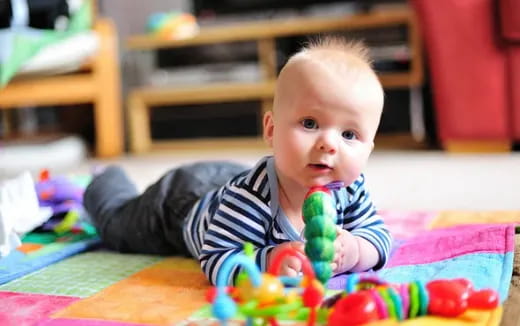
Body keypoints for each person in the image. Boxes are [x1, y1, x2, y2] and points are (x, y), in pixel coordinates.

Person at [83, 36, 392, 285]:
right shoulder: (250, 199)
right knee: (117, 226)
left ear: (370, 148)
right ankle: (104, 177)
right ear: (271, 130)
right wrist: (267, 261)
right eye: (310, 124)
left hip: (227, 177)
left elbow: (379, 237)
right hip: (179, 204)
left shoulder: (349, 188)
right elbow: (216, 259)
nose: (328, 143)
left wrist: (355, 252)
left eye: (350, 135)